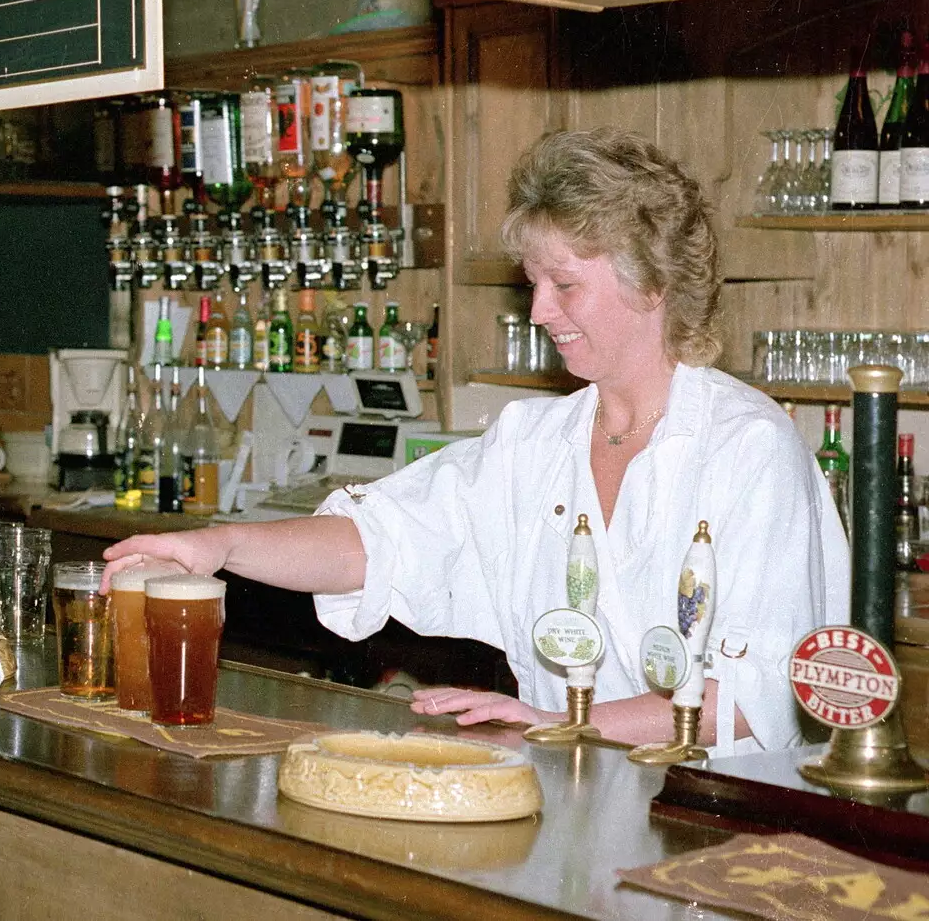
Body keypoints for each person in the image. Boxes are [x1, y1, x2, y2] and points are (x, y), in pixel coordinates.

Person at [105, 128, 848, 753]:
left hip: (714, 827)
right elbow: (377, 540)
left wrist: (561, 725)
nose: (538, 308)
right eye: (532, 282)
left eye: (563, 283)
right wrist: (219, 547)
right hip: (573, 799)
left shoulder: (750, 448)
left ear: (651, 284)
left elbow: (755, 696)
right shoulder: (535, 441)